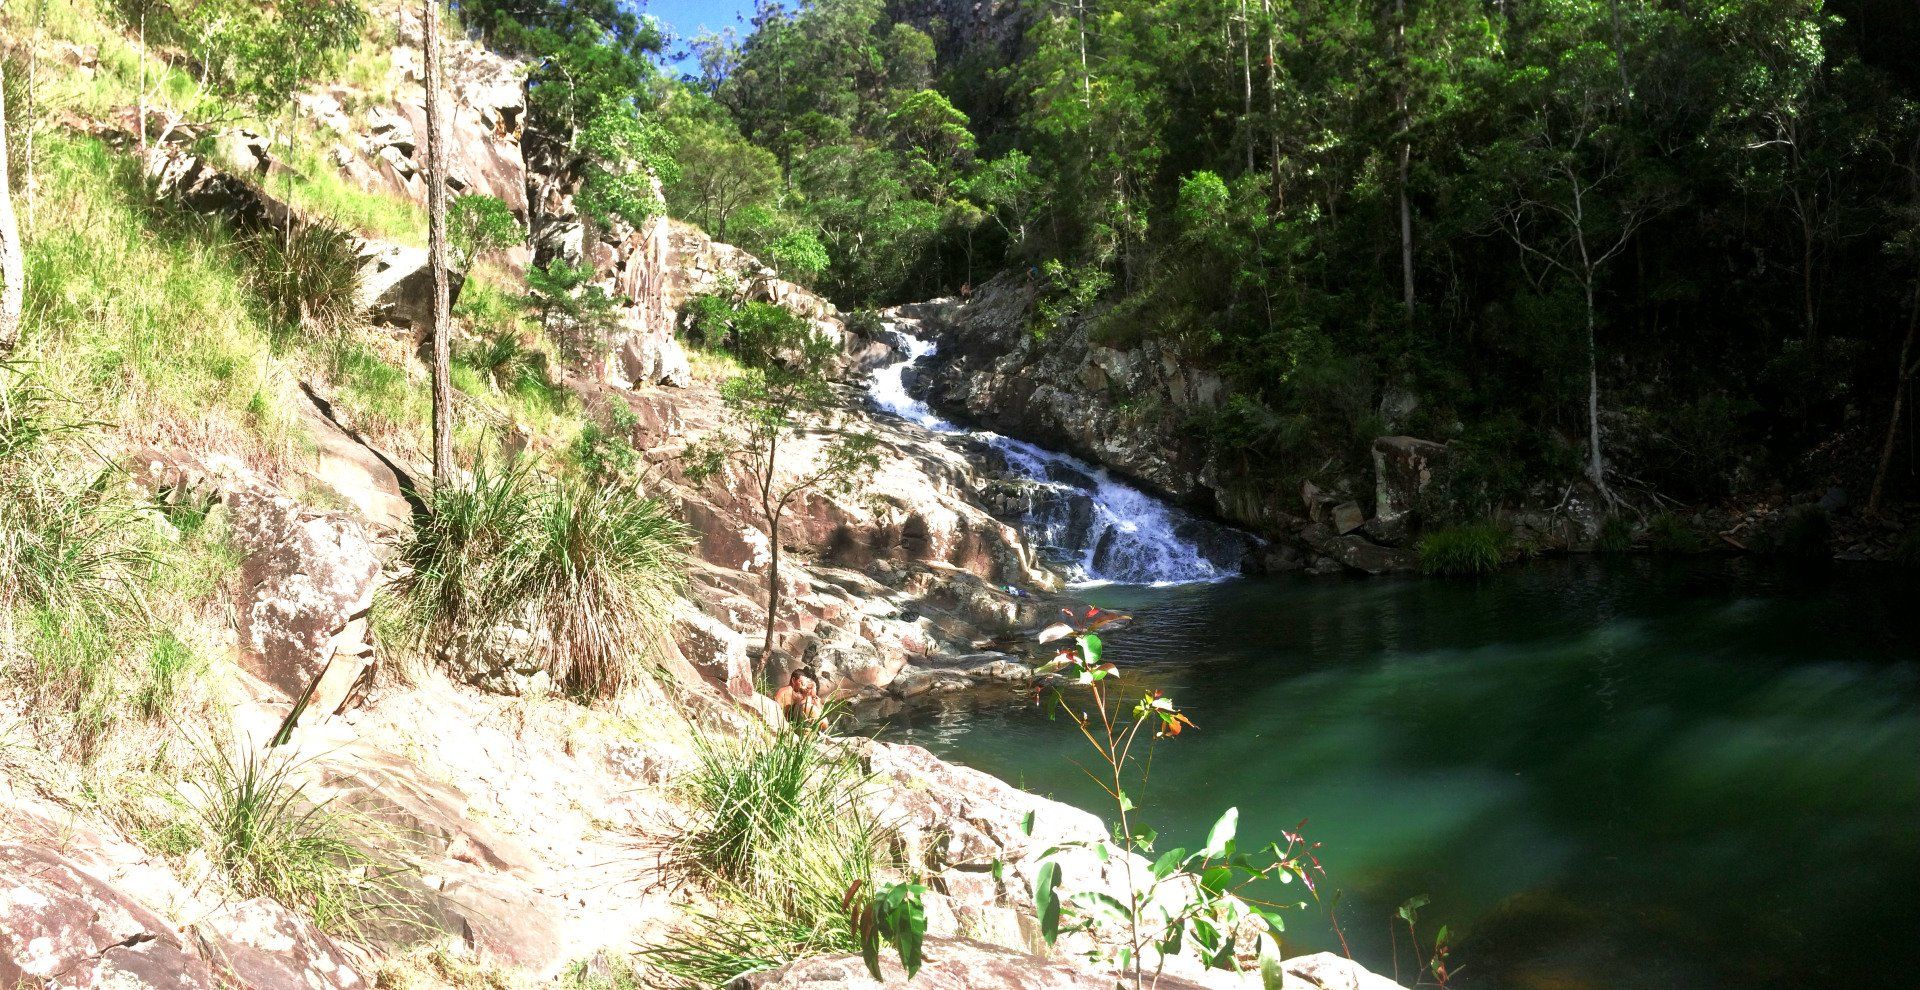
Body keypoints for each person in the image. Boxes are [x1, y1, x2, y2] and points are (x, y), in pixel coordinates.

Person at [772, 666, 827, 731]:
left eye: (804, 684)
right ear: (793, 680)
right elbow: (824, 725)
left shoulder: (796, 695)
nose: (803, 686)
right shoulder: (783, 693)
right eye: (801, 683)